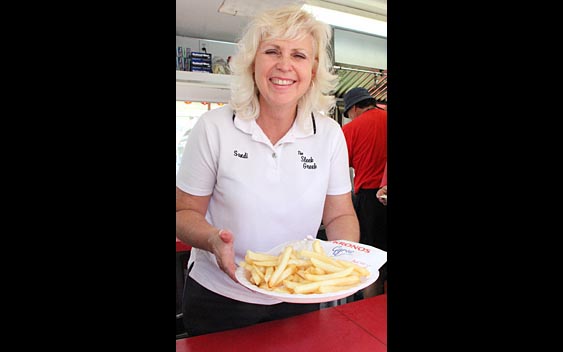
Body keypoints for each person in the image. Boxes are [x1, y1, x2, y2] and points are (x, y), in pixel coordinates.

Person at [176, 5, 360, 337]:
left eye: (299, 55)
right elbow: (184, 211)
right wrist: (211, 239)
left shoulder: (329, 134)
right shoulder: (214, 127)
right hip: (219, 296)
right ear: (252, 62)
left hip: (298, 294)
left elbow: (339, 215)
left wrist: (343, 258)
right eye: (272, 51)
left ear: (314, 68)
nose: (284, 65)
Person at [341, 87, 387, 298]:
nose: (349, 118)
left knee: (370, 258)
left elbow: (341, 166)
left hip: (370, 199)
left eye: (348, 113)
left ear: (355, 108)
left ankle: (369, 308)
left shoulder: (351, 129)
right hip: (383, 193)